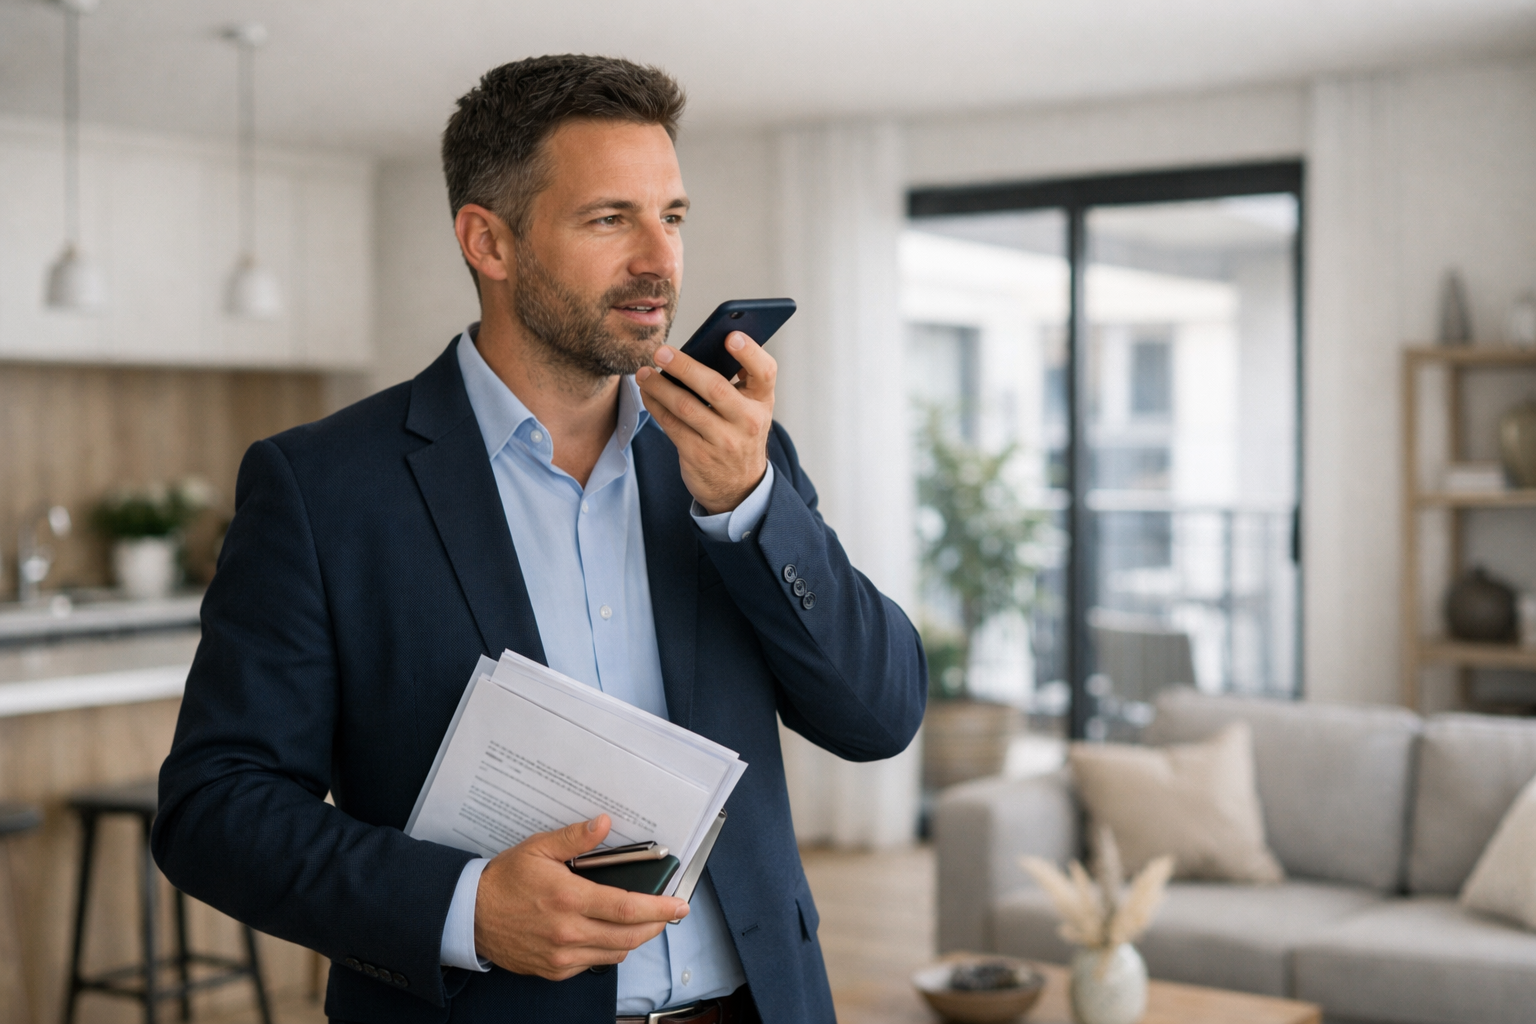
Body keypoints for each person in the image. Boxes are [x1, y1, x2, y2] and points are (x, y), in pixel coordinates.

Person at [153, 54, 925, 1024]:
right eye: (611, 218)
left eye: (672, 216)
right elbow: (213, 808)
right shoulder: (322, 486)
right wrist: (462, 907)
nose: (660, 259)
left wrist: (752, 506)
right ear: (489, 240)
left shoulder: (729, 455)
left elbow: (881, 715)